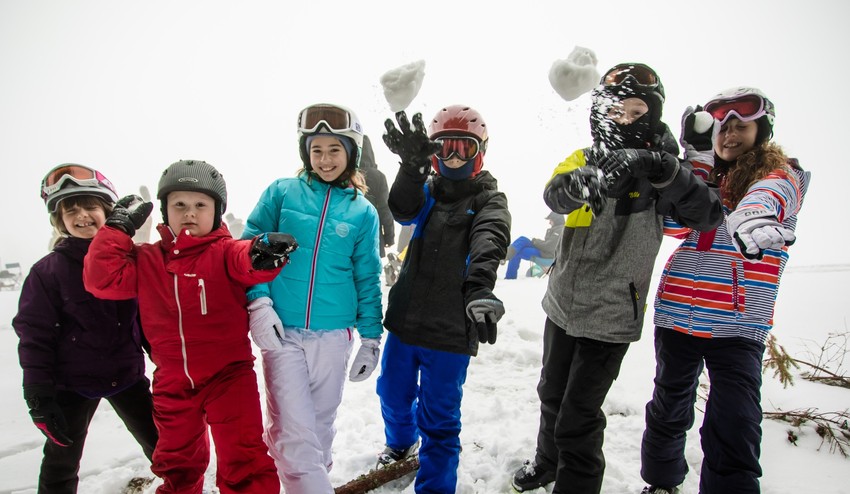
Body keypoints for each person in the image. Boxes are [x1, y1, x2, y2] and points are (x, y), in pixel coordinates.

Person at [511, 63, 724, 494]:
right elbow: (554, 191)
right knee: (551, 394)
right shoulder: (585, 157)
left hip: (611, 315)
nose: (623, 118)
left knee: (578, 416)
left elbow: (707, 214)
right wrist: (578, 185)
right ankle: (547, 462)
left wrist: (657, 166)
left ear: (653, 112)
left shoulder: (665, 171)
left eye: (635, 109)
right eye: (614, 110)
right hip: (563, 302)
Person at [83, 160, 294, 493]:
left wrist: (261, 254)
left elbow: (245, 259)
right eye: (179, 204)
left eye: (200, 205)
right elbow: (102, 280)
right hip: (172, 381)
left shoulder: (224, 252)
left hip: (229, 376)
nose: (190, 213)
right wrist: (116, 231)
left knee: (244, 455)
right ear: (165, 210)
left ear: (217, 211)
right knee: (177, 461)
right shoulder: (148, 259)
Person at [639, 88, 810, 494]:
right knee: (668, 409)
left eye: (741, 126)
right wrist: (694, 163)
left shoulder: (782, 174)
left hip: (738, 327)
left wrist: (752, 217)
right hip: (678, 315)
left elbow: (769, 196)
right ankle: (661, 483)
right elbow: (676, 225)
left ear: (761, 130)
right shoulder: (707, 179)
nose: (730, 134)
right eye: (722, 128)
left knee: (734, 421)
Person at [242, 103, 383, 494]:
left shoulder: (363, 212)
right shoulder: (281, 193)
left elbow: (367, 276)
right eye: (316, 150)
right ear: (306, 152)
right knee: (292, 431)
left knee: (318, 429)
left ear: (351, 152)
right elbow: (248, 248)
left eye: (334, 150)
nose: (324, 159)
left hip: (334, 334)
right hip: (282, 329)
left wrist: (371, 339)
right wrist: (259, 303)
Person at [376, 106, 511, 493]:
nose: (452, 157)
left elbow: (489, 239)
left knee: (439, 419)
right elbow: (402, 210)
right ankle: (400, 446)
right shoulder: (429, 191)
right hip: (405, 322)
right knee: (392, 394)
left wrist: (481, 289)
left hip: (451, 329)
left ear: (480, 152)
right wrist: (412, 169)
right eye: (444, 148)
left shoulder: (490, 200)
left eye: (462, 148)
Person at [14, 164, 158, 493]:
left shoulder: (130, 261)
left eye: (91, 206)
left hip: (128, 377)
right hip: (71, 386)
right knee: (60, 463)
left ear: (107, 211)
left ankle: (184, 486)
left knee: (164, 447)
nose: (82, 215)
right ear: (59, 219)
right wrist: (38, 394)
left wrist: (168, 361)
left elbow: (147, 318)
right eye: (71, 209)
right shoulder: (47, 272)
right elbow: (35, 337)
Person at [360, 134, 396, 258]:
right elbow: (385, 209)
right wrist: (389, 237)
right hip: (374, 235)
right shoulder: (379, 176)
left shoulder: (347, 174)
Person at [503, 211, 564, 279]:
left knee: (517, 251)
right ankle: (506, 256)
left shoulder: (560, 230)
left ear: (556, 220)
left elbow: (549, 246)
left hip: (548, 255)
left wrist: (535, 242)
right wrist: (535, 241)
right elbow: (548, 244)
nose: (549, 222)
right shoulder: (556, 229)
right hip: (544, 252)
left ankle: (509, 274)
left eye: (551, 220)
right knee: (522, 240)